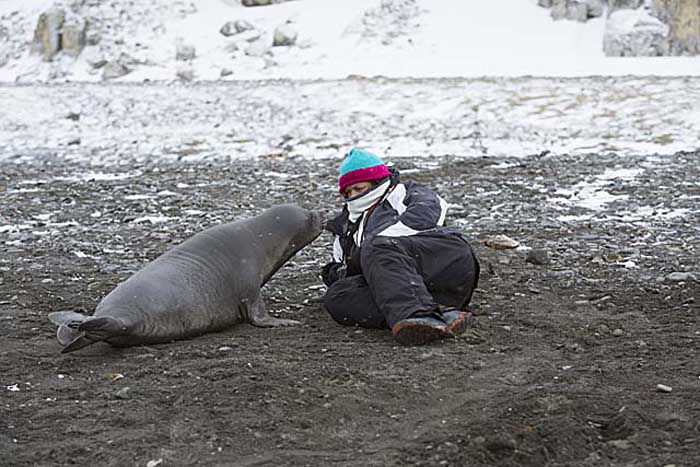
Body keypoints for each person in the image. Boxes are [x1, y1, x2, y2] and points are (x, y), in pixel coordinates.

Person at [321, 147, 480, 345]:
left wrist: (367, 252)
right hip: (408, 287)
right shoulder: (345, 228)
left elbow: (426, 216)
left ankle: (416, 314)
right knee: (337, 296)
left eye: (359, 188)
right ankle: (439, 314)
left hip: (443, 262)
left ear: (377, 181)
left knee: (377, 247)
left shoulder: (405, 193)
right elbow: (341, 271)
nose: (353, 195)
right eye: (348, 191)